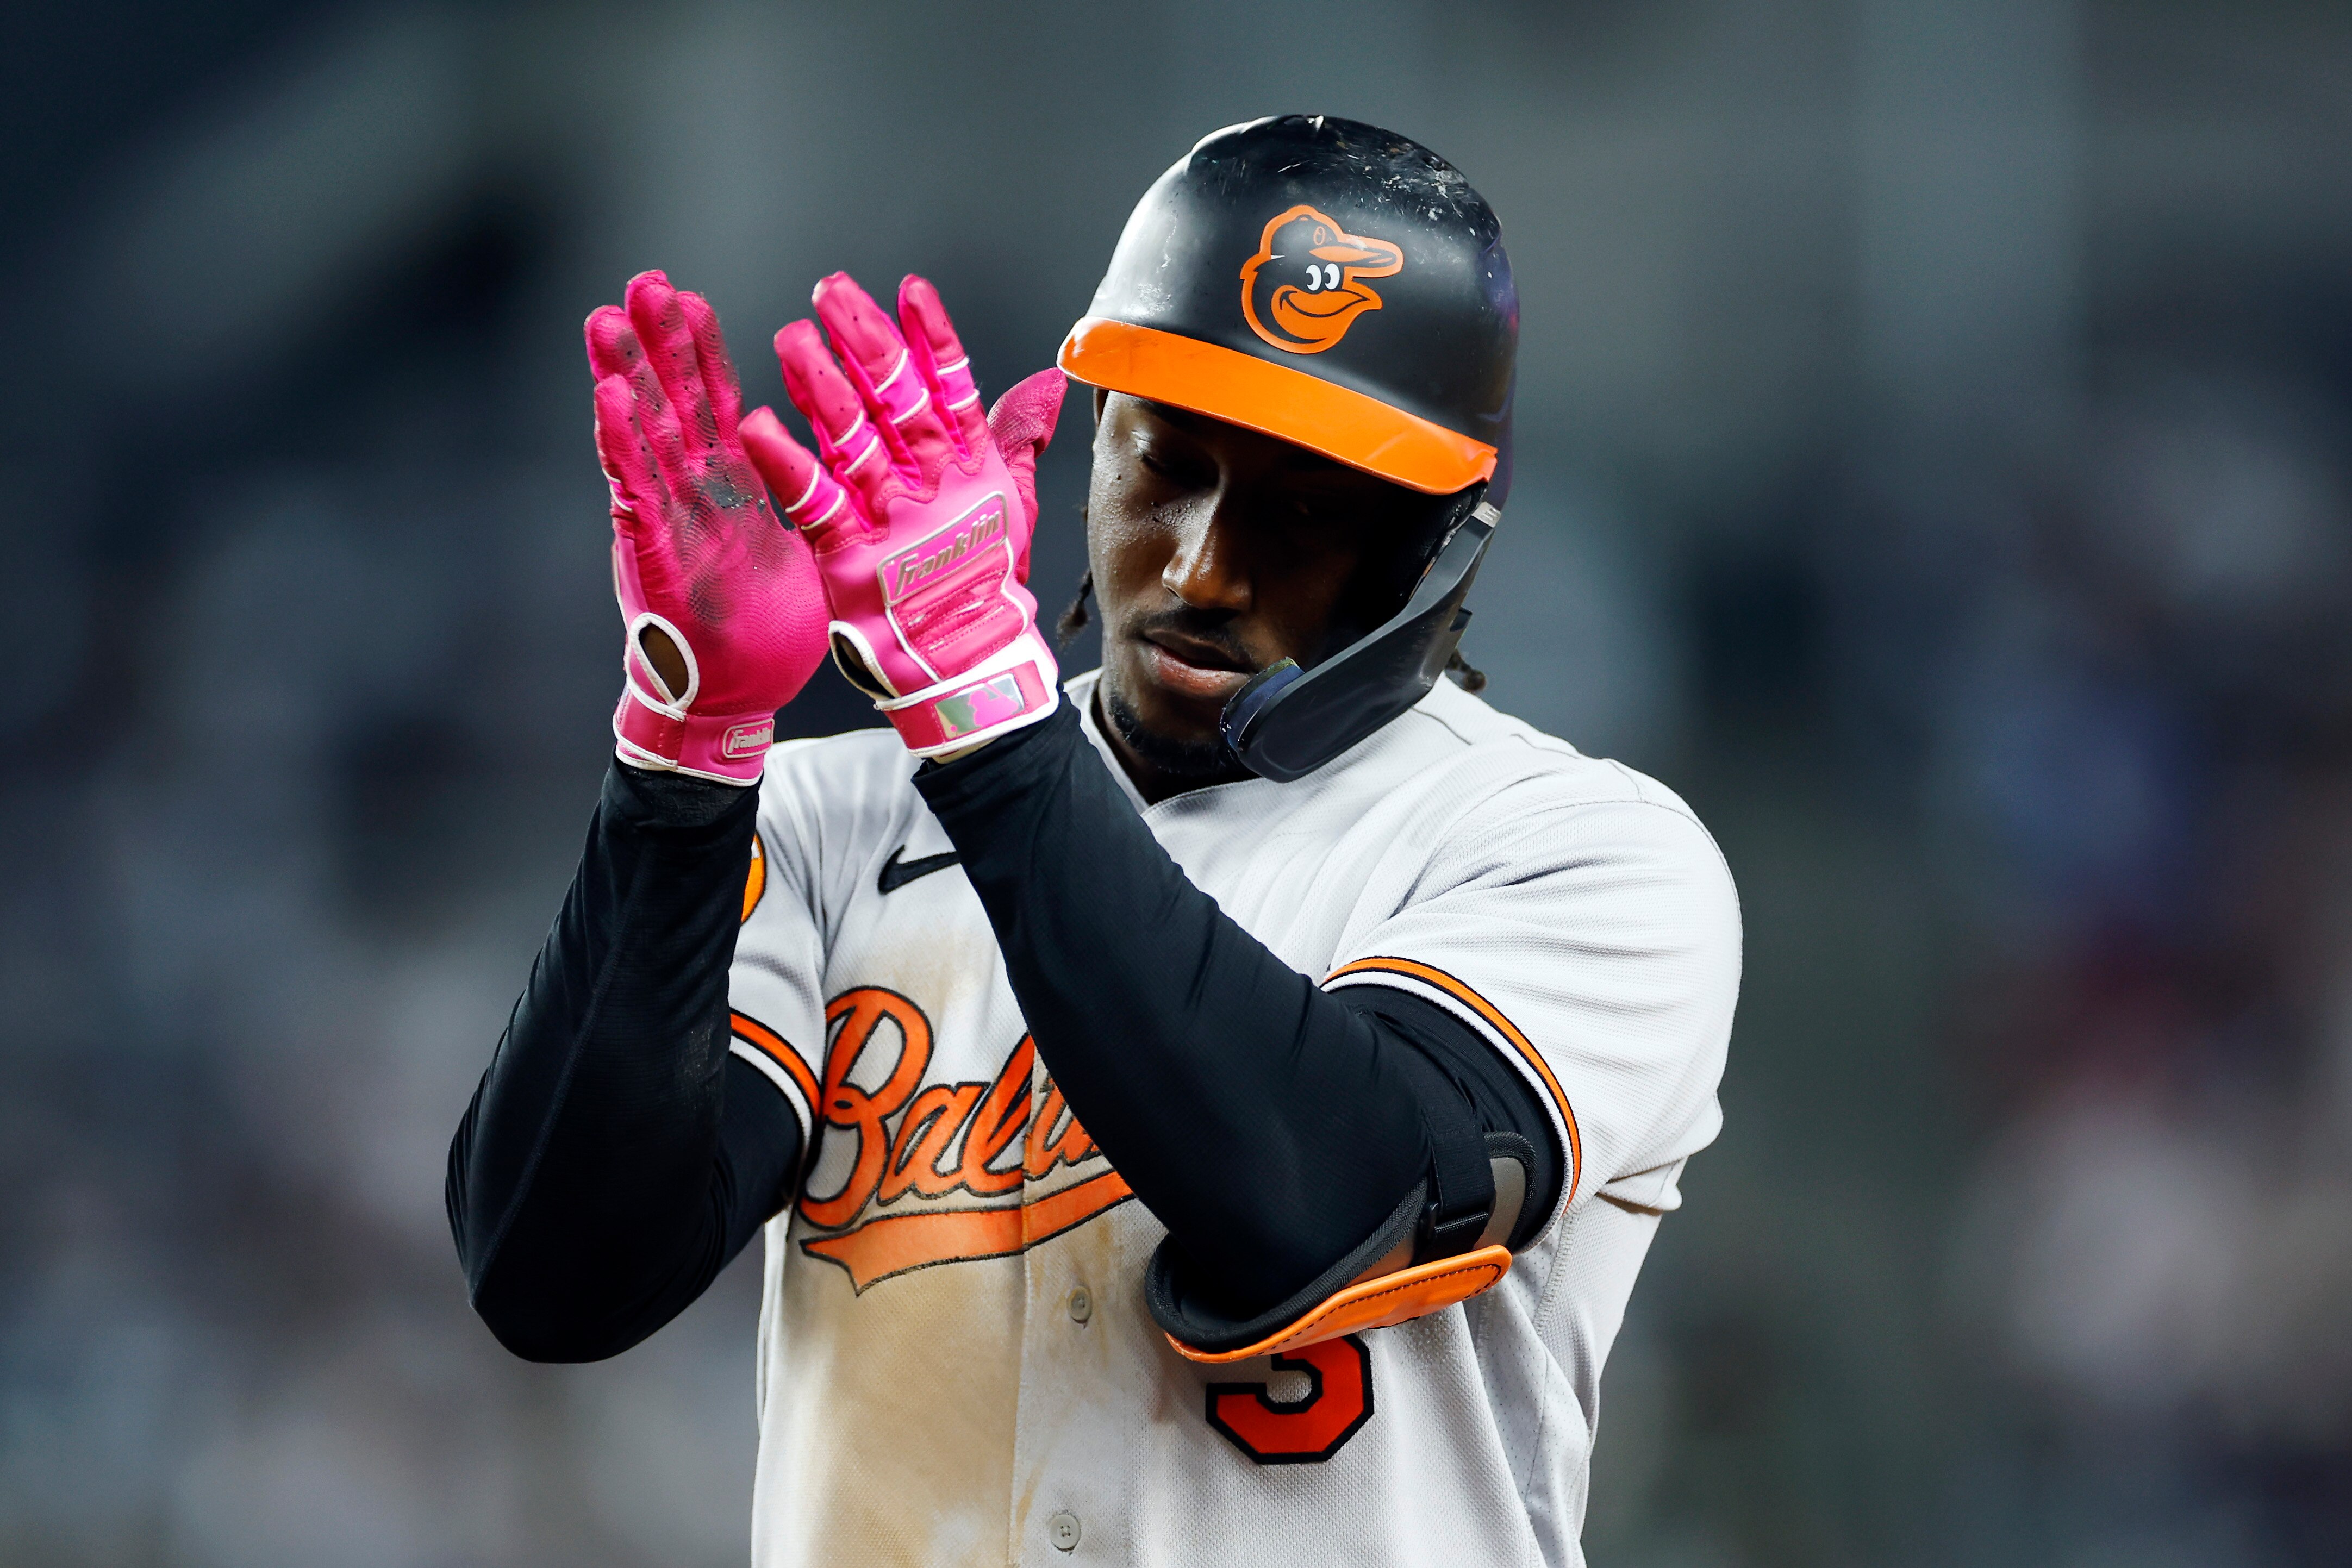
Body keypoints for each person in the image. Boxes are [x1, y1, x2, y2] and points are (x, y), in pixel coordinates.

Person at [447, 114, 1739, 1566]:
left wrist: (986, 723)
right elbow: (555, 1281)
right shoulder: (832, 822)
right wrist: (682, 759)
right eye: (1166, 465)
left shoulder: (1576, 852)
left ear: (1443, 546)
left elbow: (1315, 1200)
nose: (1200, 565)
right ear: (1090, 447)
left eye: (1306, 511)